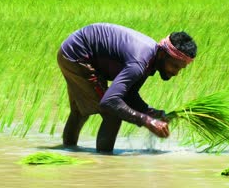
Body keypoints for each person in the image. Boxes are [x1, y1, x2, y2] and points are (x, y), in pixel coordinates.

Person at [57, 23, 197, 153]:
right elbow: (110, 101)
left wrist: (150, 112)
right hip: (77, 55)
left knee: (79, 111)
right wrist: (148, 121)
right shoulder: (139, 62)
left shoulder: (150, 59)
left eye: (181, 69)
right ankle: (104, 166)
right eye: (175, 66)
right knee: (113, 113)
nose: (176, 73)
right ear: (162, 54)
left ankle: (68, 152)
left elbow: (129, 94)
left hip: (71, 49)